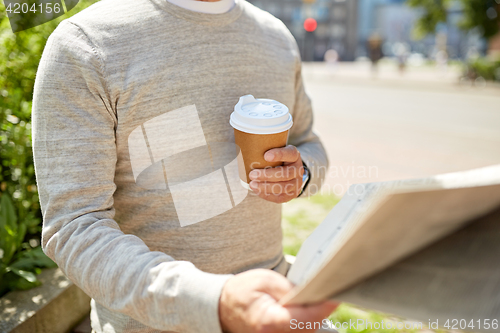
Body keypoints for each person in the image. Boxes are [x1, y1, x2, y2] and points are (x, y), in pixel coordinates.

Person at [32, 0, 336, 332]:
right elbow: (74, 226)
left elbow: (310, 143)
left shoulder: (276, 36)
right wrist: (215, 301)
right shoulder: (85, 43)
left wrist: (301, 173)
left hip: (281, 310)